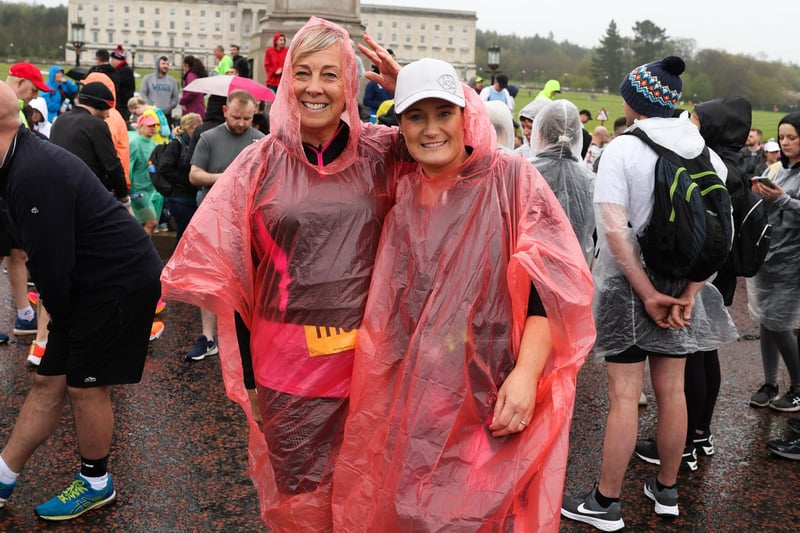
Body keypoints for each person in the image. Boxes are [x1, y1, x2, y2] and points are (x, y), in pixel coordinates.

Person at [161, 17, 403, 531]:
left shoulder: (383, 153)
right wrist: (247, 373)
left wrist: (407, 88)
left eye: (330, 74)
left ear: (350, 84)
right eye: (303, 72)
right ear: (286, 81)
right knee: (300, 499)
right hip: (287, 367)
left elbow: (467, 150)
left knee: (366, 489)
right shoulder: (259, 163)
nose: (315, 87)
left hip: (368, 361)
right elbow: (233, 272)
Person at [332, 57, 594, 531]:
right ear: (401, 125)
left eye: (443, 113)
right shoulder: (403, 189)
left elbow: (549, 291)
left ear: (465, 114)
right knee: (412, 503)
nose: (431, 129)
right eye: (416, 115)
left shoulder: (511, 179)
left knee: (483, 509)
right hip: (413, 390)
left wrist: (526, 372)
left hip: (490, 389)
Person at [561, 56, 736, 531]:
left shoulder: (622, 150)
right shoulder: (705, 153)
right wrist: (689, 292)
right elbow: (723, 233)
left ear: (632, 101)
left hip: (628, 288)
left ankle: (605, 502)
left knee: (624, 397)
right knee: (672, 390)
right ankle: (666, 490)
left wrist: (644, 291)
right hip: (683, 289)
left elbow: (613, 232)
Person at [0, 79, 162, 521]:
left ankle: (96, 483)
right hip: (94, 277)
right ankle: (3, 477)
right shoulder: (19, 156)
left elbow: (51, 268)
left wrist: (57, 320)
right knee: (46, 380)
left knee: (83, 386)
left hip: (116, 281)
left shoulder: (31, 172)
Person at [634, 96, 753, 472]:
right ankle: (699, 432)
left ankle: (684, 441)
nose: (690, 123)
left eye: (697, 119)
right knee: (706, 351)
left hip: (705, 271)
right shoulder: (734, 161)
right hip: (718, 268)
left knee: (693, 354)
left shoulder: (718, 165)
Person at [182, 89, 264, 361]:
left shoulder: (262, 141)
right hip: (214, 220)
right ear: (226, 111)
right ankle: (208, 338)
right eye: (237, 117)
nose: (242, 123)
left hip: (249, 221)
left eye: (247, 119)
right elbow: (194, 175)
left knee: (248, 282)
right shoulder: (209, 137)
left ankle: (247, 339)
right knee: (209, 280)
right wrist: (228, 177)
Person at [746, 111, 800, 412]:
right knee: (767, 321)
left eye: (792, 137)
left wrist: (782, 200)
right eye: (782, 137)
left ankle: (798, 387)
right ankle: (770, 382)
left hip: (793, 261)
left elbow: (790, 206)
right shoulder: (778, 169)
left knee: (779, 324)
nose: (785, 142)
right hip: (769, 255)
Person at [529, 99, 596, 264]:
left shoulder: (525, 170)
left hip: (529, 273)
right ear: (576, 136)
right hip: (573, 273)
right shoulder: (589, 179)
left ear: (540, 133)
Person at [160, 112, 202, 247]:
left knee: (187, 234)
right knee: (185, 234)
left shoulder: (196, 145)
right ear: (187, 128)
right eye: (196, 127)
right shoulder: (176, 144)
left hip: (190, 196)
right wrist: (186, 180)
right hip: (178, 197)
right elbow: (165, 167)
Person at [128, 113, 161, 235]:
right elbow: (129, 166)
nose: (152, 128)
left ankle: (137, 250)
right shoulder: (135, 143)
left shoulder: (155, 145)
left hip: (152, 190)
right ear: (140, 126)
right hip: (138, 190)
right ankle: (144, 252)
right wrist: (129, 188)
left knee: (142, 224)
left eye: (154, 126)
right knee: (151, 222)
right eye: (149, 125)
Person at [140, 56, 179, 122]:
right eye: (163, 64)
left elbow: (175, 98)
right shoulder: (147, 79)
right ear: (157, 64)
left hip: (166, 115)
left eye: (167, 64)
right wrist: (152, 107)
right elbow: (143, 94)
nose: (166, 66)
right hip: (151, 114)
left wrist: (168, 108)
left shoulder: (172, 81)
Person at [110, 45, 135, 123]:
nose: (111, 62)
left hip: (122, 106)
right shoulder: (123, 70)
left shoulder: (124, 71)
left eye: (112, 59)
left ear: (117, 60)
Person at [179, 55, 208, 120]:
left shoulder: (190, 75)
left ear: (186, 65)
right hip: (199, 108)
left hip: (192, 109)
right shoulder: (197, 75)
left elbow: (192, 91)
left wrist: (183, 101)